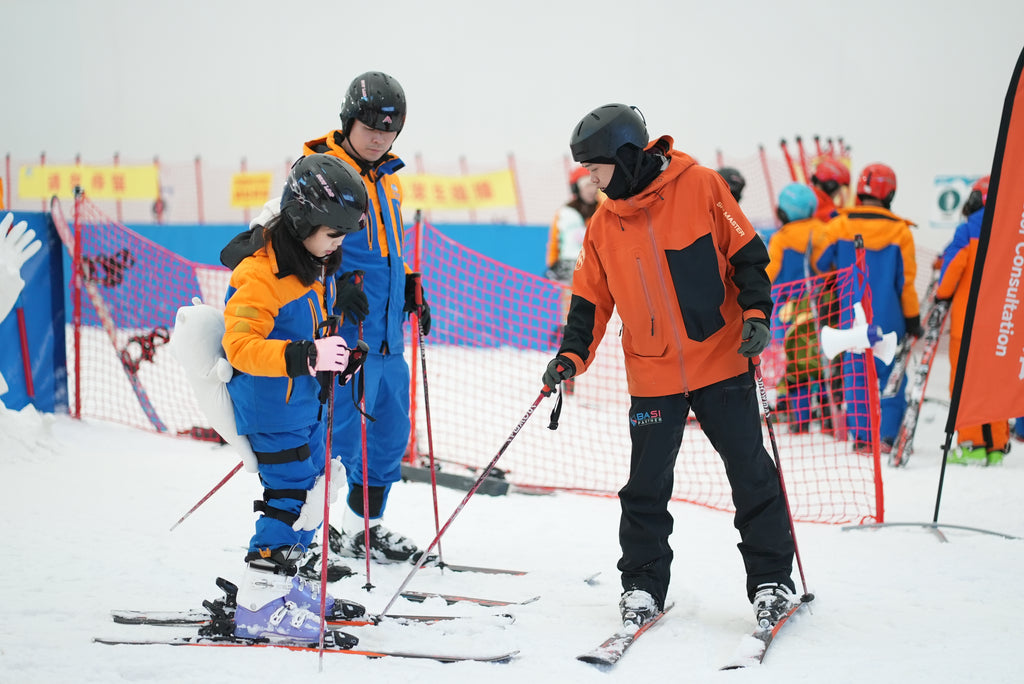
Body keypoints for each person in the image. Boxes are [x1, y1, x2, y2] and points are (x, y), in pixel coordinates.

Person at [542, 103, 796, 631]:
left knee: (752, 475)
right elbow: (589, 300)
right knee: (645, 486)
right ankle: (641, 586)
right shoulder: (603, 225)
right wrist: (571, 355)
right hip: (653, 374)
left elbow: (748, 254)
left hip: (723, 360)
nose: (590, 179)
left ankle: (772, 581)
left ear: (625, 155)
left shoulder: (702, 186)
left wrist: (755, 312)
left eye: (596, 167)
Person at [221, 154, 370, 640]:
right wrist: (307, 355)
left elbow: (311, 334)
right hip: (272, 411)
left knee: (313, 492)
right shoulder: (260, 275)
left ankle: (284, 585)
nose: (338, 246)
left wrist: (338, 357)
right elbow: (240, 347)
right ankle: (260, 604)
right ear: (304, 219)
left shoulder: (309, 264)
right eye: (333, 234)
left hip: (304, 405)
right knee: (289, 496)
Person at [300, 71, 432, 563]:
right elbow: (296, 248)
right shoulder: (321, 172)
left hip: (387, 337)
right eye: (370, 125)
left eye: (389, 129)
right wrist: (336, 286)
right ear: (348, 121)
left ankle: (364, 529)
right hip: (343, 337)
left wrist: (408, 283)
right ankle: (317, 531)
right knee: (333, 438)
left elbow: (385, 251)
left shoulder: (389, 181)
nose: (379, 136)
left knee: (388, 438)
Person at [815, 163, 920, 452]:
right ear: (891, 193)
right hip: (890, 317)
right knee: (890, 375)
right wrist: (913, 319)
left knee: (857, 376)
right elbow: (906, 283)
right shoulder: (900, 231)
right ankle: (886, 437)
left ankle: (862, 438)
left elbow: (820, 263)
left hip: (851, 316)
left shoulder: (839, 224)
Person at [936, 176, 1010, 465]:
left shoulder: (967, 231)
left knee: (965, 383)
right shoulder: (1013, 234)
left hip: (968, 324)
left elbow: (953, 269)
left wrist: (942, 295)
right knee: (996, 382)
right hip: (1003, 324)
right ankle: (996, 445)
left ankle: (971, 444)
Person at [766, 183, 829, 433]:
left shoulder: (781, 238)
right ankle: (827, 418)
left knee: (796, 365)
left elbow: (769, 273)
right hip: (821, 308)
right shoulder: (823, 231)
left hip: (790, 313)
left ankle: (800, 420)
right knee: (821, 362)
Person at [546, 165, 600, 284]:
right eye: (587, 186)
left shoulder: (602, 209)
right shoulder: (564, 213)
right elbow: (555, 242)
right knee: (570, 301)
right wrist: (552, 264)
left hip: (596, 269)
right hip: (570, 271)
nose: (592, 190)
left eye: (594, 185)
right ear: (577, 188)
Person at [809, 157, 850, 222]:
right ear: (831, 186)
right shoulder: (832, 214)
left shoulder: (803, 201)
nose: (839, 191)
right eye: (840, 187)